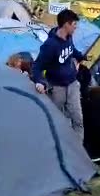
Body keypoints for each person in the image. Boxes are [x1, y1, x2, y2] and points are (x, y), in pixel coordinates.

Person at [32, 9, 86, 139]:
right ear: (66, 24)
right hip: (57, 89)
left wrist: (81, 56)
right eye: (74, 24)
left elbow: (71, 49)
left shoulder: (69, 37)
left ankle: (78, 153)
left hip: (72, 84)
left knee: (78, 120)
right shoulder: (50, 45)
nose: (76, 27)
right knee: (56, 122)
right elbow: (37, 66)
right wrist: (39, 81)